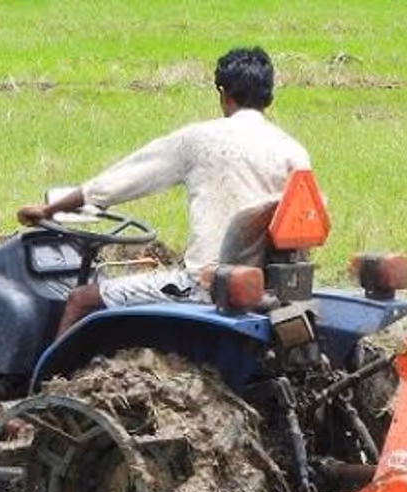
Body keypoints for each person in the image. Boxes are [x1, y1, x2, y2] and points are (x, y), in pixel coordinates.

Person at [17, 47, 311, 336]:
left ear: (223, 93)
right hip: (266, 287)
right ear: (268, 96)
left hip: (204, 286)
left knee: (80, 300)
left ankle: (50, 384)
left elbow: (119, 182)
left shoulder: (201, 140)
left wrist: (48, 210)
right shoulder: (293, 151)